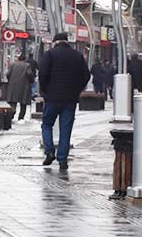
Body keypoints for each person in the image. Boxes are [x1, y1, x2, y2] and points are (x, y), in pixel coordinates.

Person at [37, 32, 90, 171]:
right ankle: (62, 160)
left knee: (47, 124)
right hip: (70, 99)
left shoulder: (50, 54)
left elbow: (42, 73)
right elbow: (86, 75)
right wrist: (77, 89)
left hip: (52, 98)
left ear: (55, 42)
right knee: (65, 130)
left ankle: (49, 151)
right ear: (67, 42)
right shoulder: (77, 56)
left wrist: (44, 90)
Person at [5, 53, 34, 121]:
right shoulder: (27, 65)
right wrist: (31, 80)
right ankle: (21, 117)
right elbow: (29, 73)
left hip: (13, 86)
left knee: (13, 101)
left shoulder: (13, 65)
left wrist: (10, 80)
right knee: (23, 102)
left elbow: (8, 74)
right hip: (24, 86)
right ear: (25, 59)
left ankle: (12, 112)